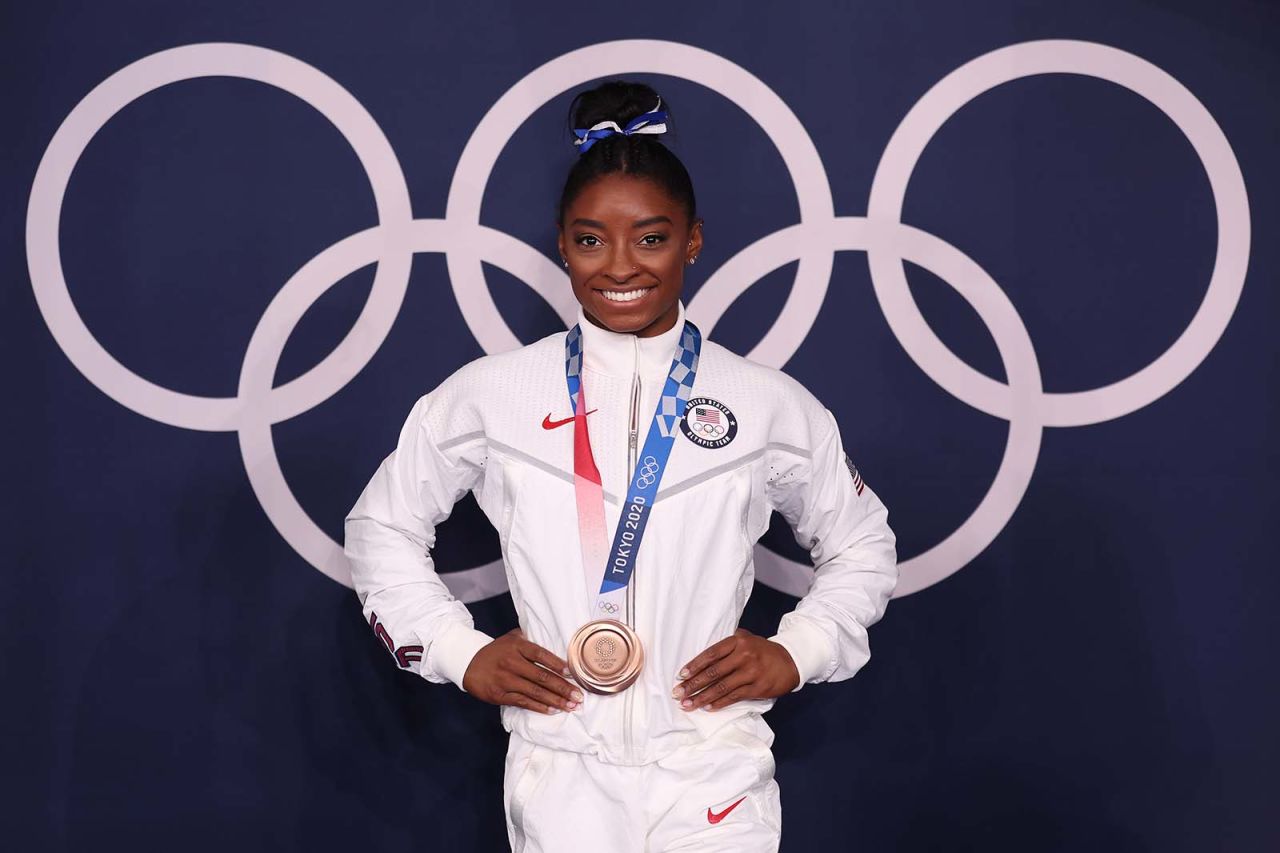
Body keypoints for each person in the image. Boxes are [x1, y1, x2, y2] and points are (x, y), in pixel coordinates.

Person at [343, 80, 898, 852]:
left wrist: (799, 650)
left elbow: (863, 543)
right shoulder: (492, 394)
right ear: (561, 245)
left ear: (693, 240)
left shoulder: (766, 402)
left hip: (712, 767)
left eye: (652, 236)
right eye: (591, 239)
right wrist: (456, 650)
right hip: (562, 767)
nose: (620, 266)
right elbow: (380, 527)